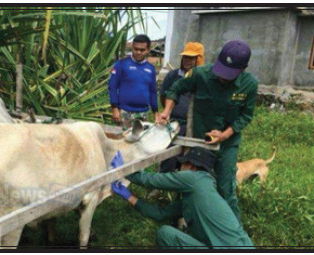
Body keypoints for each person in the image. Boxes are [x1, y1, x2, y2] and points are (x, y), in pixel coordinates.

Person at [157, 40, 258, 220]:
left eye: (229, 75)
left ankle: (231, 230)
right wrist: (166, 111)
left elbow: (246, 116)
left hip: (227, 144)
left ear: (242, 69)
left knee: (226, 188)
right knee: (191, 181)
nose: (222, 77)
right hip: (199, 141)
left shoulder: (249, 84)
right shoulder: (200, 74)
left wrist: (225, 134)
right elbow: (176, 89)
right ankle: (185, 220)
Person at [110, 147, 254, 249]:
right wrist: (129, 197)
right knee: (166, 231)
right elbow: (160, 214)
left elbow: (152, 180)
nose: (179, 169)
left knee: (165, 234)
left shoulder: (194, 178)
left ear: (193, 167)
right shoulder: (196, 194)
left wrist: (124, 170)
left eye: (182, 164)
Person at [159, 42, 205, 174]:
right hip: (174, 122)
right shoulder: (173, 76)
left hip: (194, 125)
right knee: (169, 156)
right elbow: (164, 96)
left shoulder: (202, 79)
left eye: (191, 58)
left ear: (199, 59)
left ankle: (181, 188)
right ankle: (162, 185)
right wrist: (169, 111)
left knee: (190, 157)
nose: (187, 61)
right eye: (185, 57)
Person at [108, 34, 159, 130]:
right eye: (135, 49)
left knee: (141, 142)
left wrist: (155, 111)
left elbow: (153, 91)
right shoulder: (122, 64)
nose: (138, 52)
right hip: (125, 113)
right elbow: (112, 86)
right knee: (123, 141)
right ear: (132, 47)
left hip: (144, 114)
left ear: (148, 50)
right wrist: (114, 108)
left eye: (142, 50)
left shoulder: (150, 69)